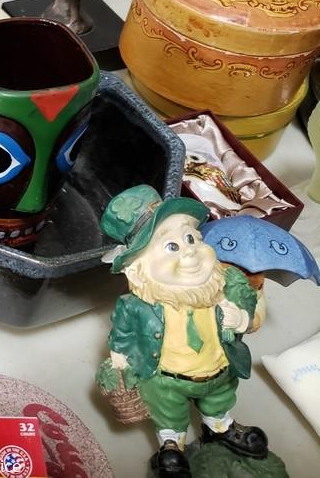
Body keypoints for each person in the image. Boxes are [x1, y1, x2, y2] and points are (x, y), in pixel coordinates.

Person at [100, 185, 268, 478]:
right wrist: (119, 360)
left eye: (190, 238)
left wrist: (240, 318)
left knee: (219, 399)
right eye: (171, 247)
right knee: (169, 413)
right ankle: (171, 443)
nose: (190, 250)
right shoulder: (135, 306)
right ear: (139, 269)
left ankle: (219, 426)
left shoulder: (224, 288)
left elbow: (251, 312)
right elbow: (123, 336)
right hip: (167, 380)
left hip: (219, 371)